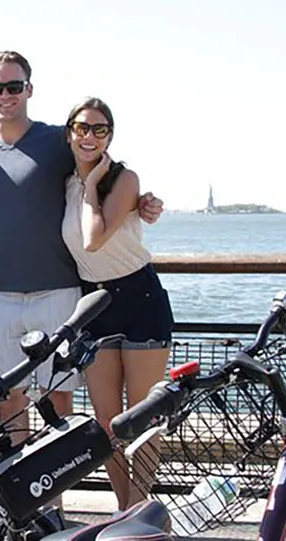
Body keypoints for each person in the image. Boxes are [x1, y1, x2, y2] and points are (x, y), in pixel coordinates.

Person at [0, 51, 163, 538]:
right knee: (11, 403)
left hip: (62, 291)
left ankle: (60, 507)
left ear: (30, 88)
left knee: (59, 407)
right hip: (2, 291)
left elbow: (107, 175)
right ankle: (22, 508)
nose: (5, 95)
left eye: (14, 86)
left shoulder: (57, 139)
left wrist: (143, 201)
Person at [60, 97, 174, 510]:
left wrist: (92, 185)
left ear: (110, 136)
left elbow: (94, 238)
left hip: (139, 298)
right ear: (69, 132)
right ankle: (126, 512)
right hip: (94, 303)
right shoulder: (65, 182)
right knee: (106, 422)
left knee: (141, 421)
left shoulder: (124, 179)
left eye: (99, 129)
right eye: (82, 128)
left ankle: (139, 514)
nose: (89, 136)